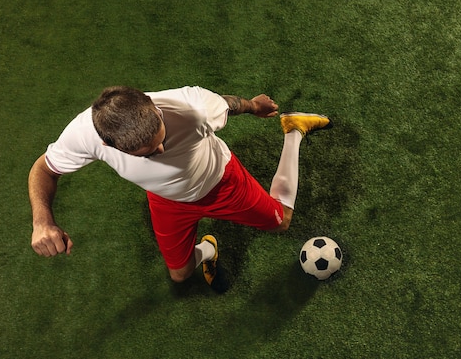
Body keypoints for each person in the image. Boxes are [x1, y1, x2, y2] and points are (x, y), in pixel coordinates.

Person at [29, 86, 332, 292]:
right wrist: (43, 222)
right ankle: (210, 249)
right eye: (149, 152)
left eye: (161, 137)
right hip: (167, 202)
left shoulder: (193, 107)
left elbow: (228, 104)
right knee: (180, 274)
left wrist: (253, 106)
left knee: (282, 221)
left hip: (222, 181)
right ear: (108, 146)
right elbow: (44, 168)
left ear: (154, 108)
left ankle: (293, 130)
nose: (160, 148)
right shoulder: (84, 135)